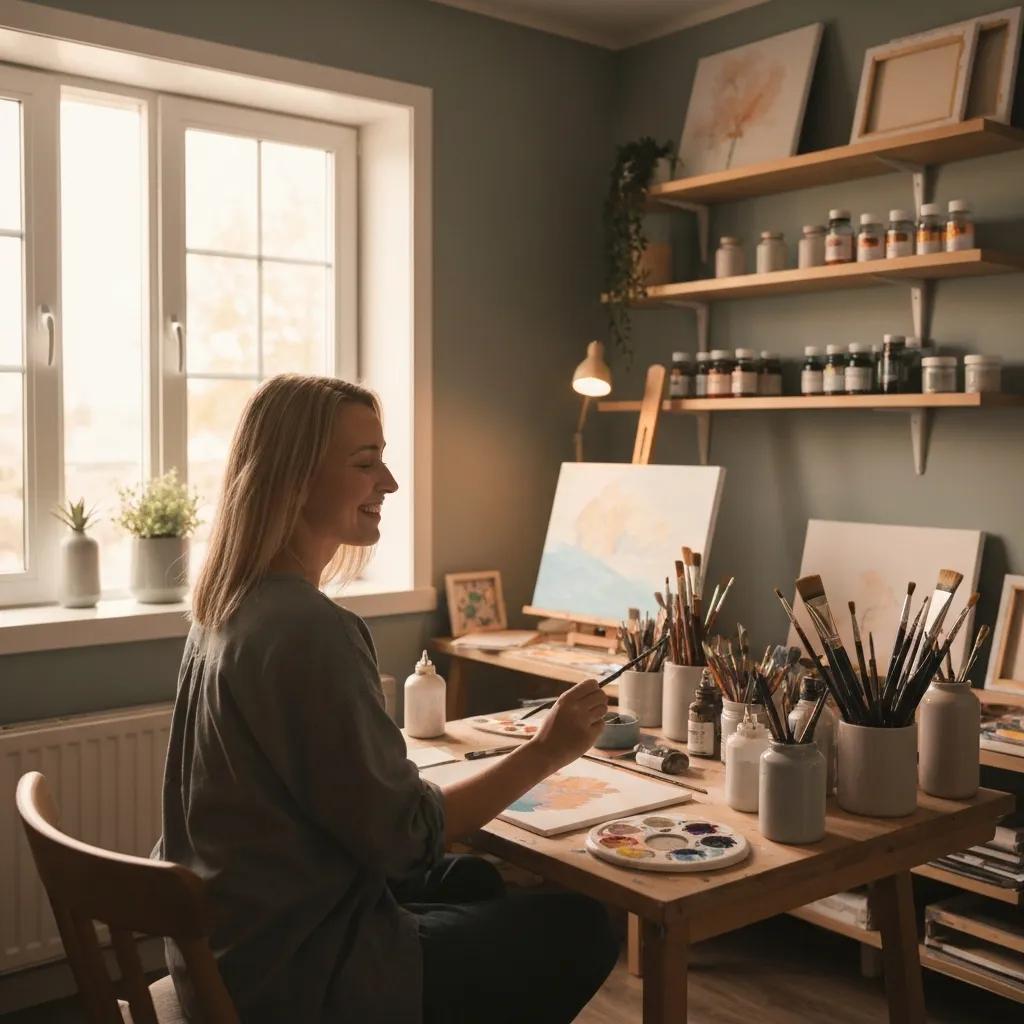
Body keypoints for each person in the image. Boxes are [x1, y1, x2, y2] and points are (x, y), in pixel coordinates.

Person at [156, 374, 619, 1023]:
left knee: (479, 881)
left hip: (236, 942)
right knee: (586, 926)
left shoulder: (225, 608)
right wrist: (550, 749)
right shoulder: (309, 628)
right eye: (366, 463)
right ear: (293, 478)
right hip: (300, 977)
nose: (391, 483)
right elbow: (404, 841)